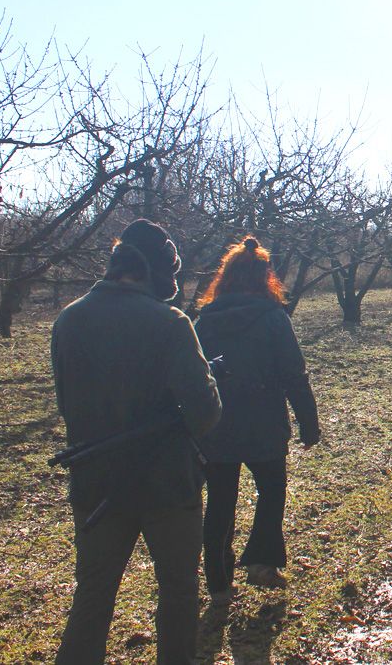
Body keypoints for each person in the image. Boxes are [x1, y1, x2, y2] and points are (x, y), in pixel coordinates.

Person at [52, 219, 221, 665]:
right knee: (180, 594)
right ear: (159, 270)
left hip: (95, 485)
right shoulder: (170, 322)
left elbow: (67, 407)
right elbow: (206, 415)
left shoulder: (68, 319)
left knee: (93, 596)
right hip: (168, 487)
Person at [194, 237, 320, 606]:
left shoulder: (204, 320)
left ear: (226, 276)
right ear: (266, 277)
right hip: (264, 421)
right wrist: (308, 423)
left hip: (217, 424)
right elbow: (294, 373)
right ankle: (262, 564)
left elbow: (195, 375)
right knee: (271, 492)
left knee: (219, 502)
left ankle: (218, 583)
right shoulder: (272, 318)